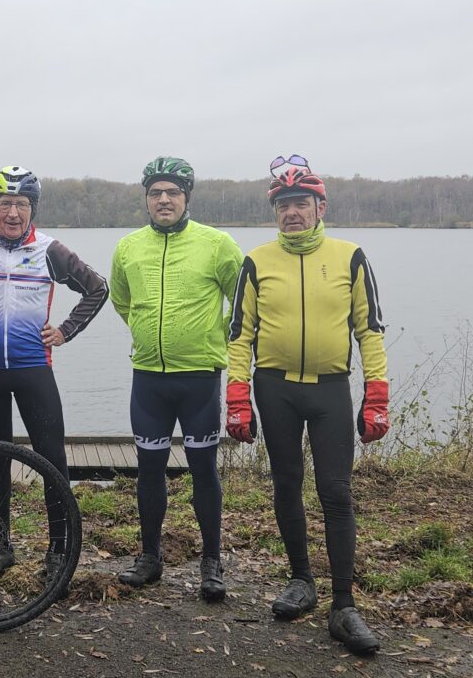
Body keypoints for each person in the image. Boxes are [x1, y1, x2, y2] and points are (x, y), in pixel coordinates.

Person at [226, 154, 388, 654]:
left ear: (321, 207)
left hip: (329, 388)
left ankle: (344, 605)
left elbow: (370, 330)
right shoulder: (256, 261)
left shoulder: (350, 256)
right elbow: (240, 335)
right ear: (274, 212)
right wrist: (237, 395)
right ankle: (301, 581)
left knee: (336, 492)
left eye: (301, 203)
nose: (291, 212)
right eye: (283, 205)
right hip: (274, 387)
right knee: (286, 483)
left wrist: (376, 394)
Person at [0, 166, 109, 583]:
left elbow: (98, 288)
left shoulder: (49, 250)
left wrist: (65, 331)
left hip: (33, 370)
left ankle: (58, 551)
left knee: (52, 459)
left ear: (32, 209)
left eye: (21, 205)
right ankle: (0, 546)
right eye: (5, 204)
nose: (12, 213)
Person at [109, 157, 243, 601]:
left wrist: (210, 341)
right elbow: (122, 300)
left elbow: (242, 304)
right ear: (146, 199)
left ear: (187, 197)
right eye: (155, 193)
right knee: (149, 469)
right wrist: (149, 334)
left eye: (172, 193)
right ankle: (150, 557)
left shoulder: (218, 243)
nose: (163, 200)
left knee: (204, 469)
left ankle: (211, 560)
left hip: (200, 378)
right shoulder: (128, 247)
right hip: (148, 378)